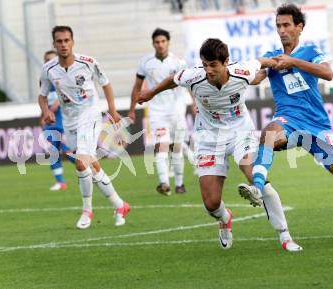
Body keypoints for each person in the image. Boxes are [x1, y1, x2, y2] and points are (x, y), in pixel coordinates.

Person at [138, 38, 302, 251]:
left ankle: (285, 236)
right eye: (205, 64)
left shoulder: (240, 71)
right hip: (208, 139)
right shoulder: (194, 76)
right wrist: (150, 93)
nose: (208, 70)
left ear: (226, 62)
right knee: (211, 203)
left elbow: (261, 63)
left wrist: (275, 64)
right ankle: (224, 218)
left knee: (257, 176)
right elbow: (172, 79)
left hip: (240, 133)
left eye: (213, 65)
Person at [239, 4, 333, 242]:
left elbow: (327, 73)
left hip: (317, 127)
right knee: (269, 134)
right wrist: (247, 72)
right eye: (278, 26)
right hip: (289, 121)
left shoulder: (311, 51)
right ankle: (258, 186)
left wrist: (293, 62)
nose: (282, 31)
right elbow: (256, 78)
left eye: (286, 25)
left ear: (299, 27)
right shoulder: (273, 57)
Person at [39, 26, 130, 229]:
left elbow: (105, 84)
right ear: (54, 44)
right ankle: (120, 205)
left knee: (81, 162)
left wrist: (113, 111)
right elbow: (42, 95)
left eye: (66, 40)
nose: (63, 44)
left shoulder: (88, 63)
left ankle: (86, 211)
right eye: (59, 41)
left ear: (72, 42)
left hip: (90, 114)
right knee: (90, 165)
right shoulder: (48, 69)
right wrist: (45, 111)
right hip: (69, 121)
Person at [129, 28, 189, 196]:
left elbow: (188, 83)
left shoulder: (178, 62)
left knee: (176, 147)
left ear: (168, 42)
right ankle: (164, 182)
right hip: (156, 111)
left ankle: (179, 183)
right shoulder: (145, 62)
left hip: (176, 109)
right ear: (153, 43)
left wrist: (195, 103)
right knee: (161, 145)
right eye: (157, 42)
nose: (160, 45)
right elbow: (137, 87)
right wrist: (132, 109)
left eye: (163, 41)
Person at [41, 50, 76, 191]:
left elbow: (63, 98)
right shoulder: (44, 78)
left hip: (63, 120)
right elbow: (43, 99)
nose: (50, 62)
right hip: (50, 120)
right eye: (47, 60)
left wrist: (52, 109)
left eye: (52, 59)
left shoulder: (63, 76)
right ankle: (60, 182)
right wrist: (43, 116)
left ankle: (87, 168)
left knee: (68, 150)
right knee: (53, 151)